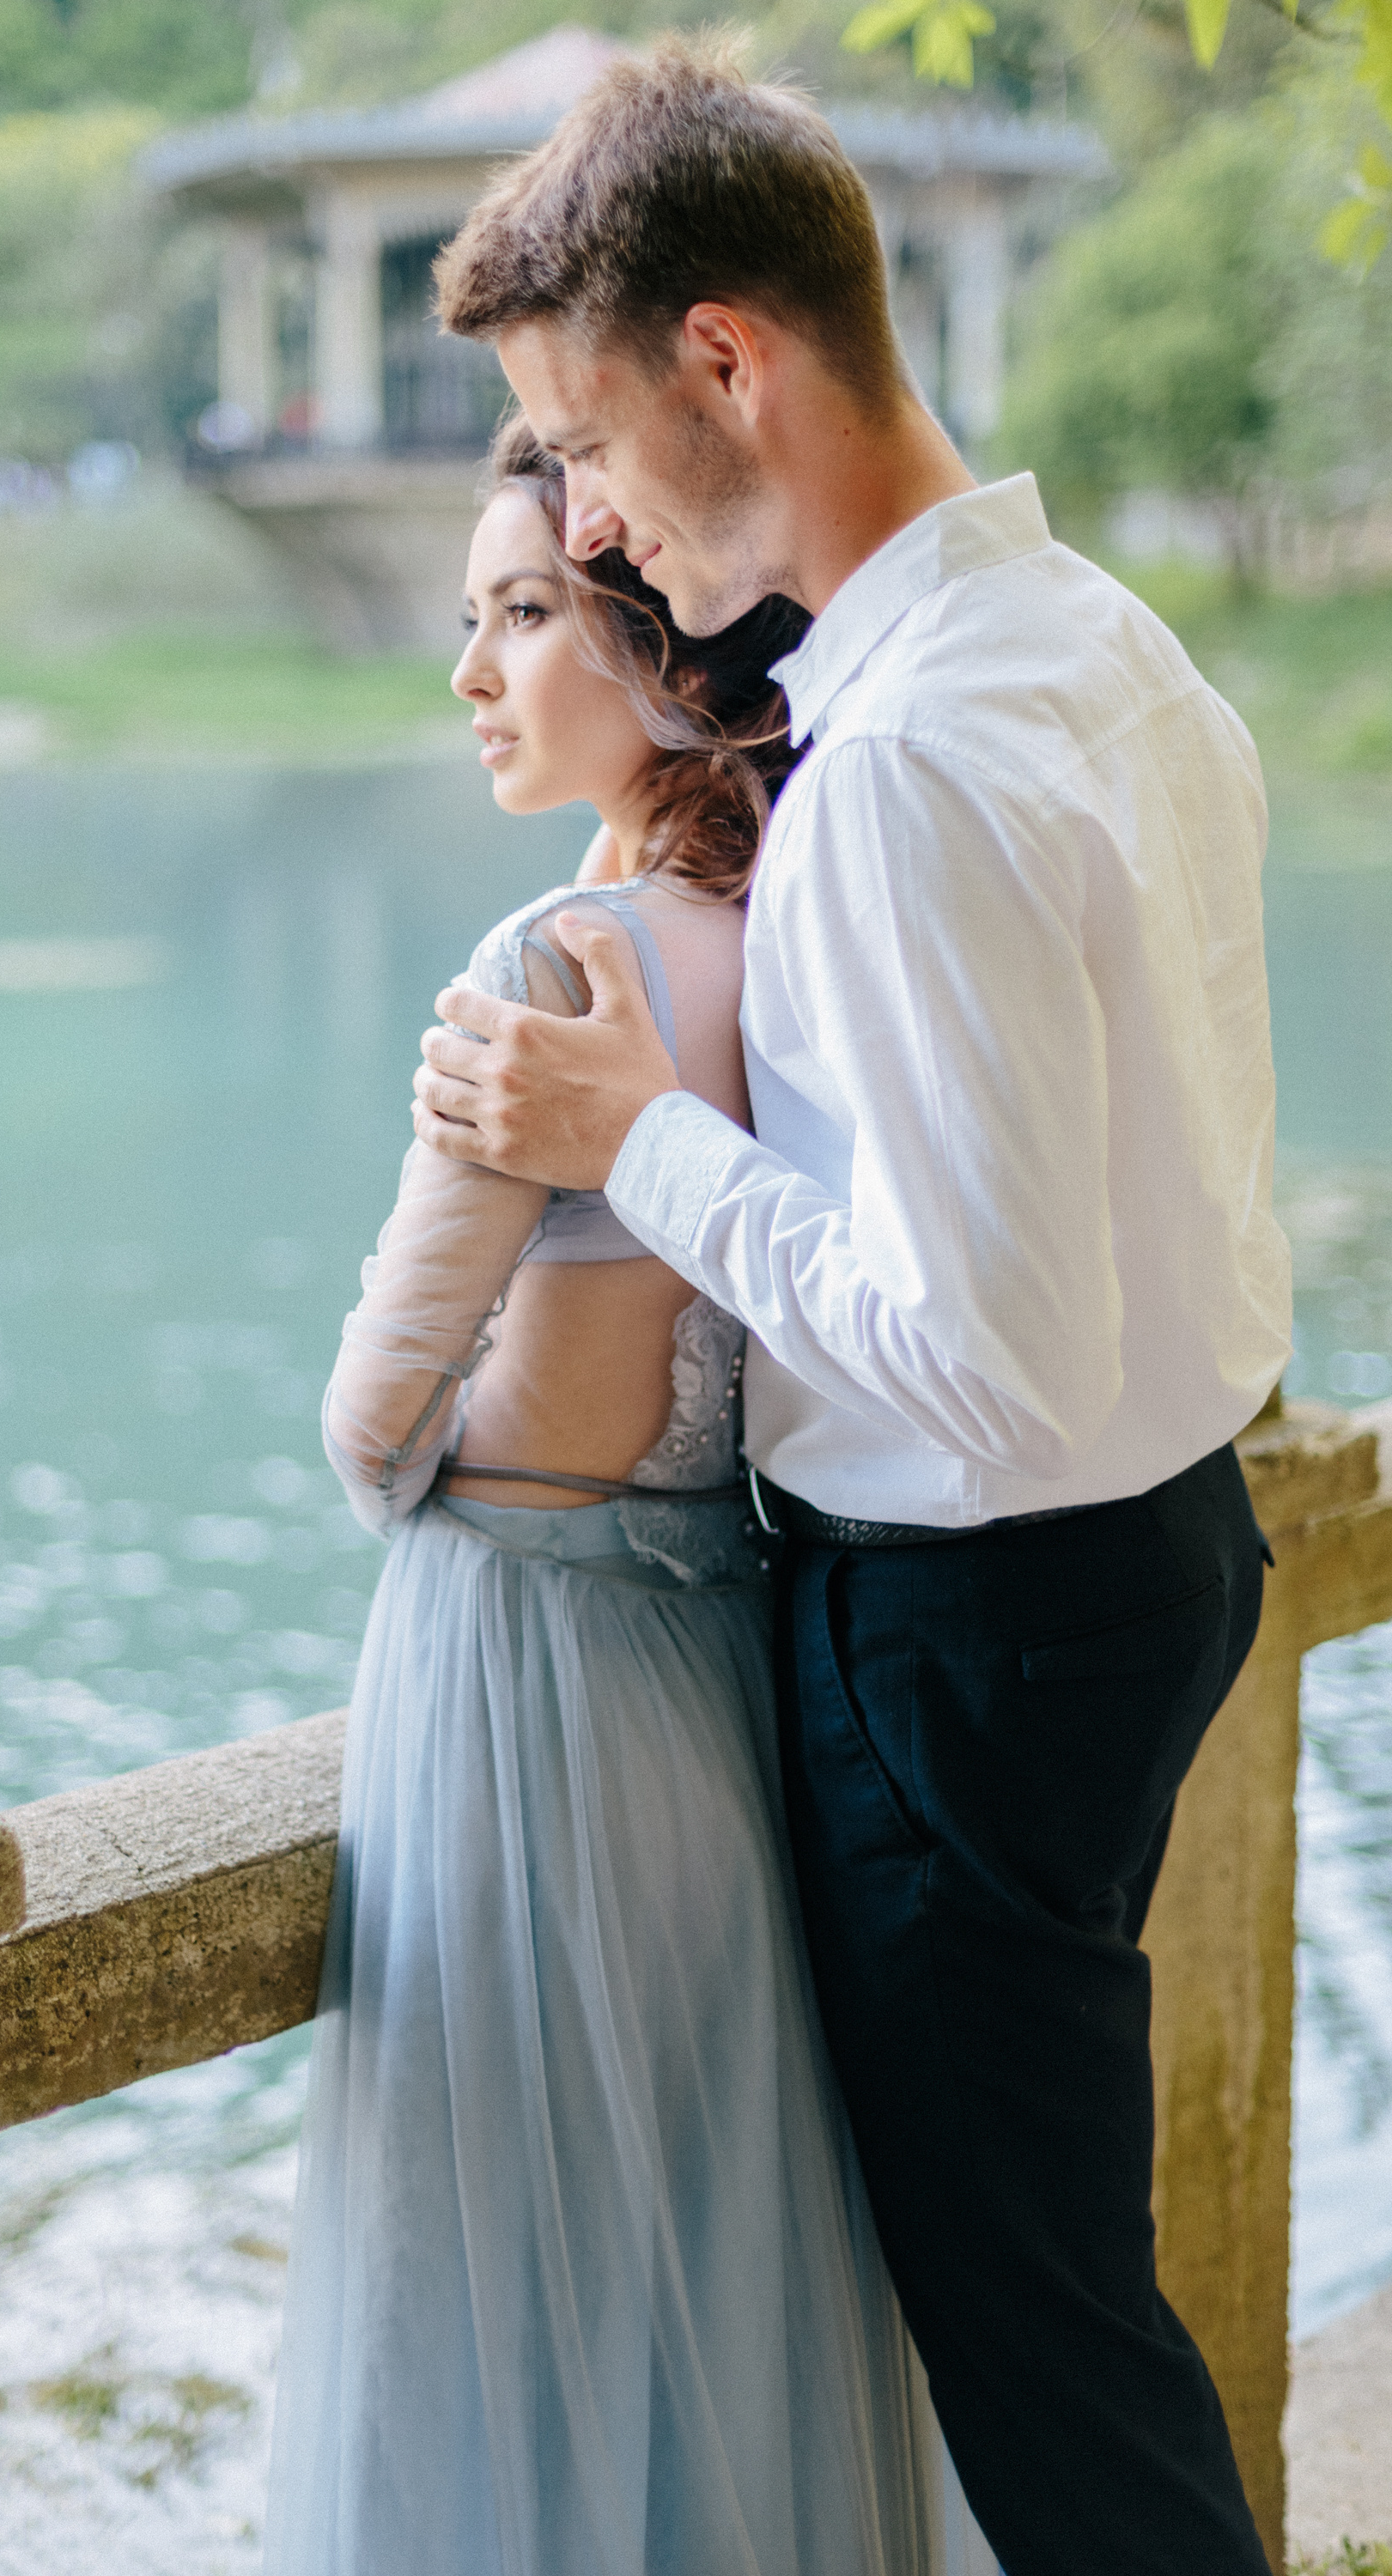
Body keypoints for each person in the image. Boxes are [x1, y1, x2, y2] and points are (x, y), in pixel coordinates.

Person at [416, 39, 1293, 2576]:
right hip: (1149, 1553)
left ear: (727, 359)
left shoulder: (901, 763)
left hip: (973, 1620)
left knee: (1040, 2352)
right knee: (1065, 2296)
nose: (573, 521)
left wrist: (623, 1141)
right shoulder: (1095, 639)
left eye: (580, 441)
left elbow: (965, 1341)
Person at [263, 416, 996, 2575]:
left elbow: (373, 1420)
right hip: (727, 1659)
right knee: (717, 2234)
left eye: (516, 612)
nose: (473, 672)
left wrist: (470, 1406)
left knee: (495, 2261)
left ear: (650, 645)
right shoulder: (795, 934)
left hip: (526, 1660)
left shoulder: (550, 963)